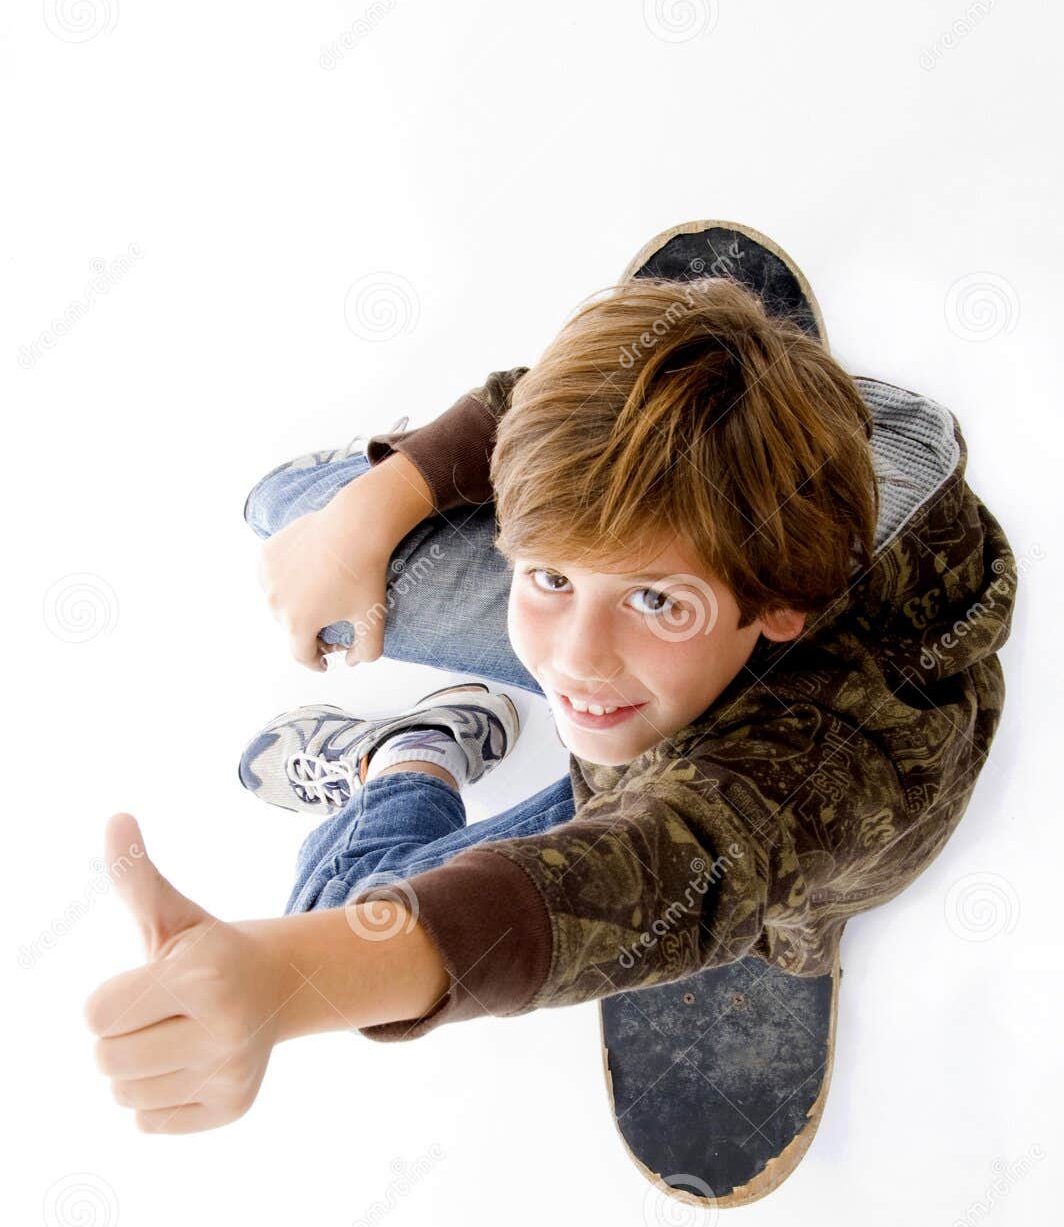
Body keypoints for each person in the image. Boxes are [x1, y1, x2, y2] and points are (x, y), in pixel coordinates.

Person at [83, 224, 1015, 1144]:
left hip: (742, 785)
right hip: (776, 529)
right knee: (294, 521)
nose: (574, 663)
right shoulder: (703, 533)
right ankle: (568, 566)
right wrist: (373, 508)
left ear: (783, 604)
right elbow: (528, 407)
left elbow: (645, 872)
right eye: (550, 578)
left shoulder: (820, 778)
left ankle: (410, 756)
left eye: (657, 601)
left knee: (337, 921)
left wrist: (280, 983)